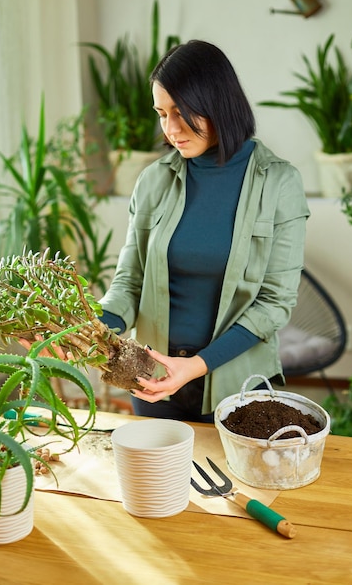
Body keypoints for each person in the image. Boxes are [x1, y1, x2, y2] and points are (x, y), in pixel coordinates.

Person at [99, 39, 310, 423]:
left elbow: (274, 303)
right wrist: (86, 331)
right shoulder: (153, 181)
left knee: (236, 485)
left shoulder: (279, 183)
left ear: (218, 103)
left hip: (237, 387)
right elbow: (129, 283)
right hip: (154, 381)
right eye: (161, 114)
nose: (170, 129)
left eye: (181, 112)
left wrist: (196, 365)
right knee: (155, 484)